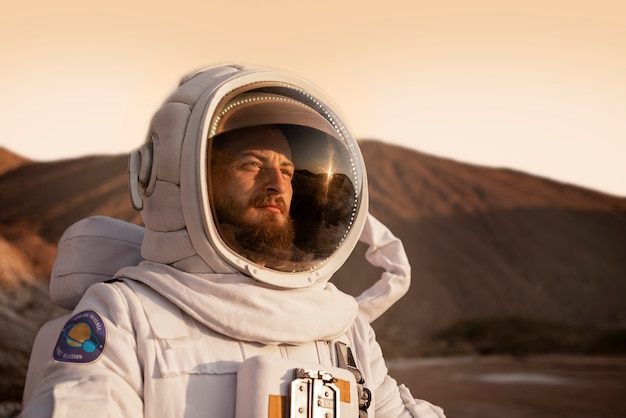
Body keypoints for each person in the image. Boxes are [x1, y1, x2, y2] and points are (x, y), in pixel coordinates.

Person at [20, 64, 446, 417]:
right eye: (251, 163)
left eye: (288, 170)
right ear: (187, 177)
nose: (276, 182)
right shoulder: (126, 315)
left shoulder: (340, 324)